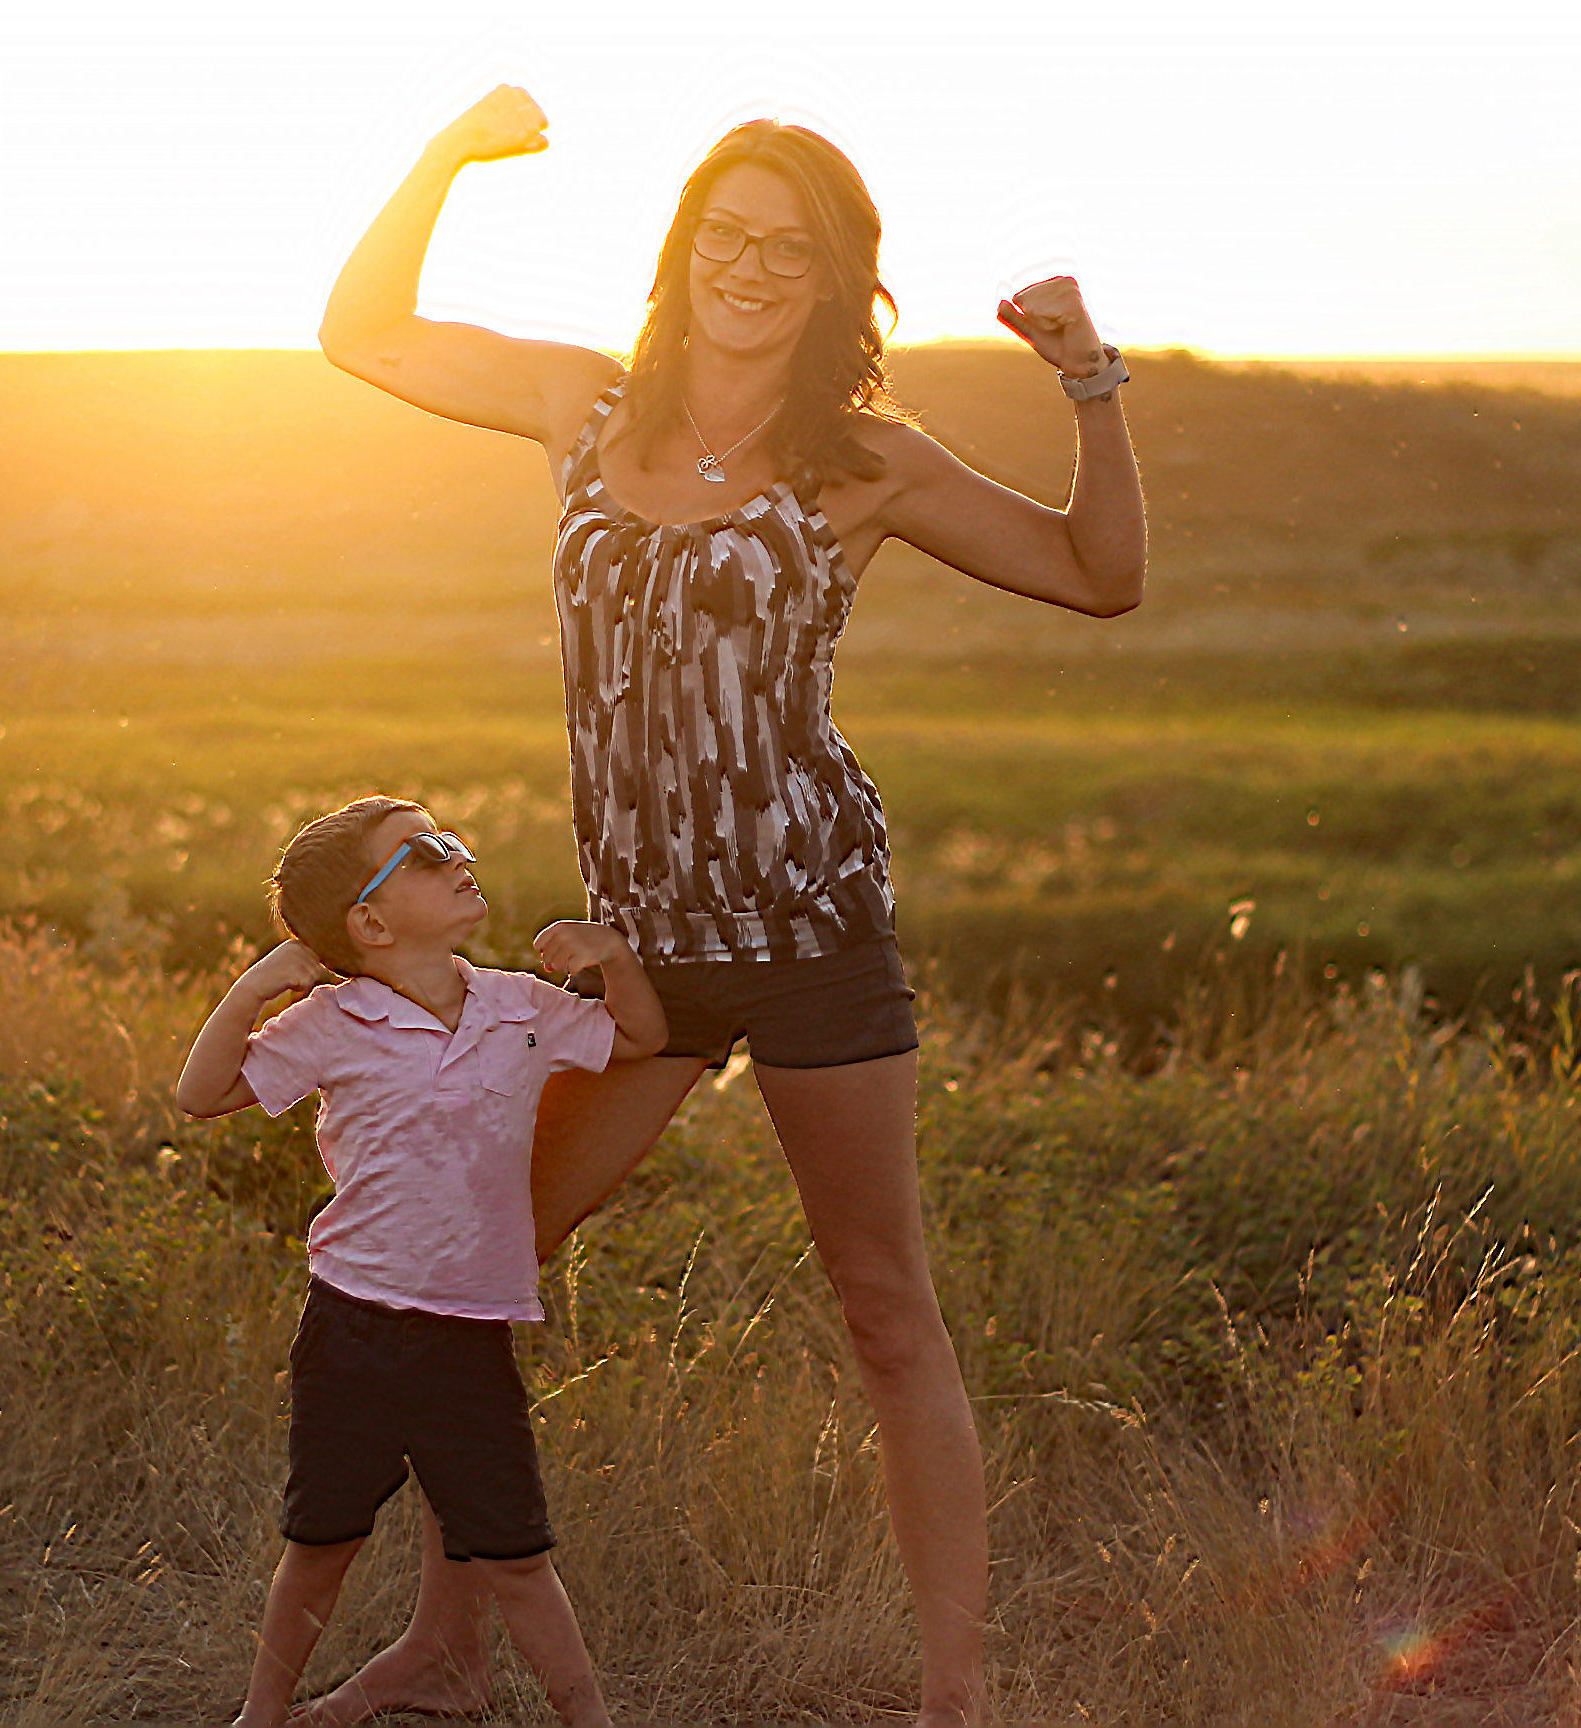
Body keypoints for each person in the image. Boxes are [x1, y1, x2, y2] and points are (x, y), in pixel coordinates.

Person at [315, 87, 1145, 1727]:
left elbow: (1094, 574)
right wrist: (442, 160)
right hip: (639, 953)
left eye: (791, 248)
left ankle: (953, 1700)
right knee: (472, 1256)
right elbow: (363, 333)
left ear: (835, 281)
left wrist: (1087, 385)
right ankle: (445, 1645)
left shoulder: (863, 463)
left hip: (814, 933)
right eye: (726, 233)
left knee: (884, 1307)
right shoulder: (580, 401)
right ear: (683, 244)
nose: (751, 268)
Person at [176, 794, 668, 1728]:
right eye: (425, 851)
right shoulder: (332, 1021)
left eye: (451, 840)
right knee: (324, 1537)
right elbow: (202, 1095)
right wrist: (252, 990)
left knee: (517, 1551)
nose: (458, 856)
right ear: (370, 921)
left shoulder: (518, 1006)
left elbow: (636, 1038)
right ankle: (261, 1716)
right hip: (353, 1323)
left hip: (471, 1329)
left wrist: (616, 958)